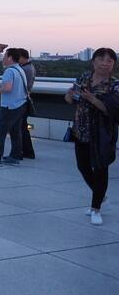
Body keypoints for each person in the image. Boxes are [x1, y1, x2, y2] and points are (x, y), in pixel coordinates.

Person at [64, 48, 117, 226]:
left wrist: (92, 98)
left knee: (100, 169)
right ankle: (101, 197)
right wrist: (70, 95)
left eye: (109, 60)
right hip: (80, 129)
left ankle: (96, 208)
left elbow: (113, 111)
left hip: (101, 133)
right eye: (101, 59)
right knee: (83, 167)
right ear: (93, 61)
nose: (105, 63)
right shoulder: (84, 77)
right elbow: (70, 99)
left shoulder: (114, 85)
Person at [0, 48, 28, 166]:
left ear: (10, 58)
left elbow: (7, 88)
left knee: (0, 132)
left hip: (9, 106)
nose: (2, 59)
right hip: (20, 105)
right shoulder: (19, 70)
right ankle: (15, 156)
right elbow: (11, 85)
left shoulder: (8, 71)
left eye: (4, 56)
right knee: (15, 132)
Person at [18, 48, 37, 159]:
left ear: (21, 57)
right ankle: (27, 151)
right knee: (23, 127)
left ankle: (25, 151)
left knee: (21, 128)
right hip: (25, 100)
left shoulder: (25, 69)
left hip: (21, 101)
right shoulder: (29, 67)